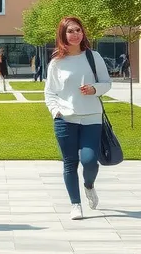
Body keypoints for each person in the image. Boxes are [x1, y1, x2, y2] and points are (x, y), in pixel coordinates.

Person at [44, 16, 113, 220]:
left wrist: (94, 89)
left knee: (90, 161)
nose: (75, 34)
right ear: (63, 35)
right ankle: (75, 204)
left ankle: (89, 185)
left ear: (83, 33)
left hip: (92, 116)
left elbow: (107, 83)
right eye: (70, 31)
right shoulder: (57, 63)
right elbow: (50, 93)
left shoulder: (94, 57)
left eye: (78, 30)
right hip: (65, 119)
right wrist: (55, 111)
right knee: (70, 162)